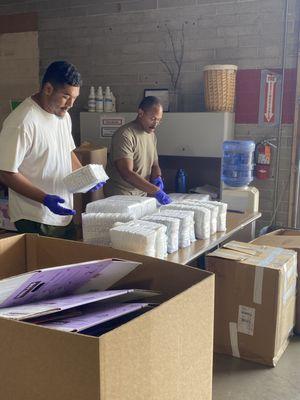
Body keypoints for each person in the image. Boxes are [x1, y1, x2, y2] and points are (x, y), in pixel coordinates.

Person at [0, 60, 105, 240]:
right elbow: (6, 173)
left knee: (68, 265)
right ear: (48, 89)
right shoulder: (22, 122)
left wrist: (85, 177)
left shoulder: (63, 115)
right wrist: (45, 199)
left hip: (62, 213)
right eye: (66, 96)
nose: (71, 104)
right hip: (35, 216)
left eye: (74, 98)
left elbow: (67, 151)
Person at [104, 96, 172, 205]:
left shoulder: (152, 135)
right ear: (141, 113)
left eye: (159, 120)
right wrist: (155, 191)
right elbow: (126, 173)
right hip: (121, 196)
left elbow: (154, 164)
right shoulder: (125, 135)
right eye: (153, 119)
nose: (155, 124)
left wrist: (157, 178)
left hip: (141, 195)